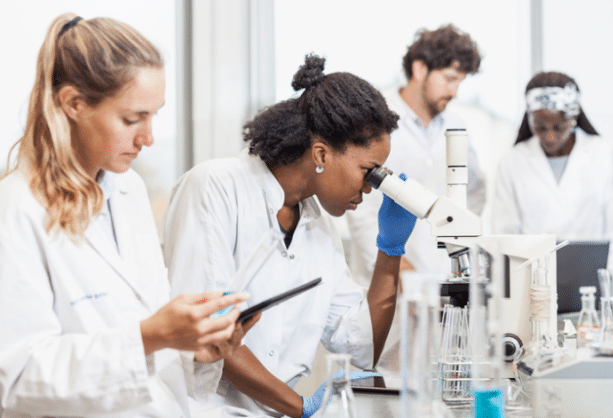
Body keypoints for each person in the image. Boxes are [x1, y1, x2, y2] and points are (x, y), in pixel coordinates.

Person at [0, 14, 255, 417]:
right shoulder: (16, 210)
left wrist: (191, 348)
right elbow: (17, 379)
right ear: (73, 104)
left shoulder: (128, 188)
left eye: (154, 116)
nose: (148, 137)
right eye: (132, 119)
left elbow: (136, 330)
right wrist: (150, 336)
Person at [161, 53, 416, 418]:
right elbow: (208, 333)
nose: (370, 187)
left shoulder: (319, 224)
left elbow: (362, 348)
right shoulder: (215, 186)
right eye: (368, 171)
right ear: (321, 154)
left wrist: (390, 249)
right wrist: (301, 408)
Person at [343, 23, 485, 378]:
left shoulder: (457, 127)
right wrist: (403, 273)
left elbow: (474, 193)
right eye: (449, 78)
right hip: (389, 279)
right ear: (420, 69)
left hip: (441, 284)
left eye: (460, 81)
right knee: (387, 388)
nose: (454, 90)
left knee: (440, 387)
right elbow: (361, 212)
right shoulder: (377, 121)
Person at [492, 71, 613, 277]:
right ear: (530, 119)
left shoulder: (603, 154)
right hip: (532, 282)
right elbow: (504, 234)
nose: (550, 137)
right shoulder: (512, 162)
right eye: (540, 127)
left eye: (558, 127)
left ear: (574, 116)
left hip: (593, 281)